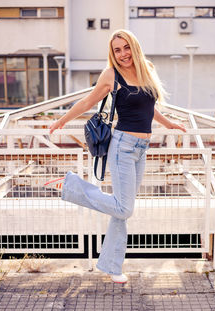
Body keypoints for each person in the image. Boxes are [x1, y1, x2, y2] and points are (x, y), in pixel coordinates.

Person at [44, 29, 186, 283]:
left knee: (120, 209)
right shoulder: (111, 74)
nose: (123, 54)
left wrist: (169, 124)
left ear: (134, 46)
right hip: (122, 146)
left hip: (142, 148)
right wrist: (62, 121)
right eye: (117, 50)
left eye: (126, 48)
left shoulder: (147, 68)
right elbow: (87, 103)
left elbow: (149, 107)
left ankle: (112, 266)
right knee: (124, 207)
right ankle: (70, 185)